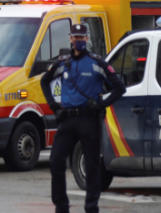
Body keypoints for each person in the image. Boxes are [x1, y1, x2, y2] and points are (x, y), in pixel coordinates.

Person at [40, 23, 125, 213]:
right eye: (75, 38)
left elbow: (119, 88)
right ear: (70, 39)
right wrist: (54, 106)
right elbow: (44, 81)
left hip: (89, 120)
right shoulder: (63, 63)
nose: (79, 41)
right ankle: (61, 207)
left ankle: (91, 208)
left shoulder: (98, 64)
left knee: (93, 167)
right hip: (68, 120)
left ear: (87, 39)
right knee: (56, 161)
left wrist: (101, 104)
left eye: (82, 37)